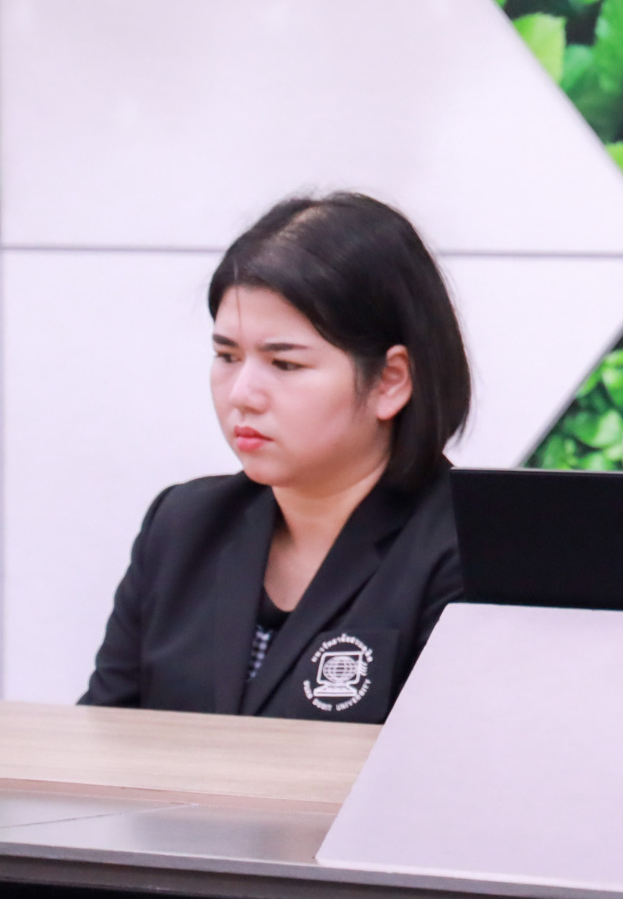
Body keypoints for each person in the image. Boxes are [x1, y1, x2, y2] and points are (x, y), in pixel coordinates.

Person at [82, 193, 471, 722]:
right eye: (227, 356)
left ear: (390, 381)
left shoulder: (467, 551)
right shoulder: (181, 527)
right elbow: (102, 738)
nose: (242, 394)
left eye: (284, 364)